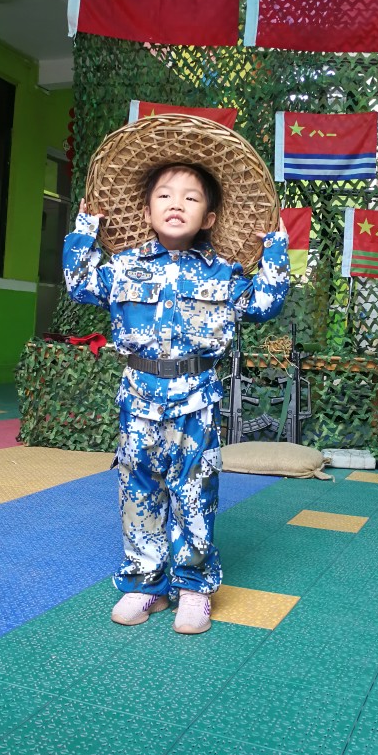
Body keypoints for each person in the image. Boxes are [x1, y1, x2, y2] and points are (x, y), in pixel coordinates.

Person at [63, 160, 289, 634]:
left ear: (208, 217)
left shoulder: (223, 274)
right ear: (147, 211)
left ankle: (193, 589)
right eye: (164, 195)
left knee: (194, 491)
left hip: (196, 401)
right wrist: (85, 230)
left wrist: (275, 247)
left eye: (191, 197)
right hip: (138, 401)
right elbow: (79, 285)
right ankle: (145, 584)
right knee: (138, 490)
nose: (176, 204)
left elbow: (265, 303)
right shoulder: (122, 267)